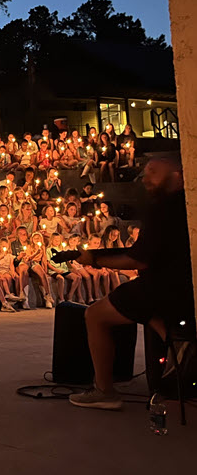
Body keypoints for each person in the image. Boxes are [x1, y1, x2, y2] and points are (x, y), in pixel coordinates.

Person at [66, 158, 195, 410]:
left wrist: (95, 259)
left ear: (178, 176)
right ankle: (173, 339)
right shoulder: (186, 205)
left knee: (95, 315)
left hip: (161, 286)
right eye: (145, 173)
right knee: (146, 311)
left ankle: (104, 391)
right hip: (183, 285)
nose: (146, 178)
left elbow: (139, 259)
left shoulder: (162, 209)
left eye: (154, 172)